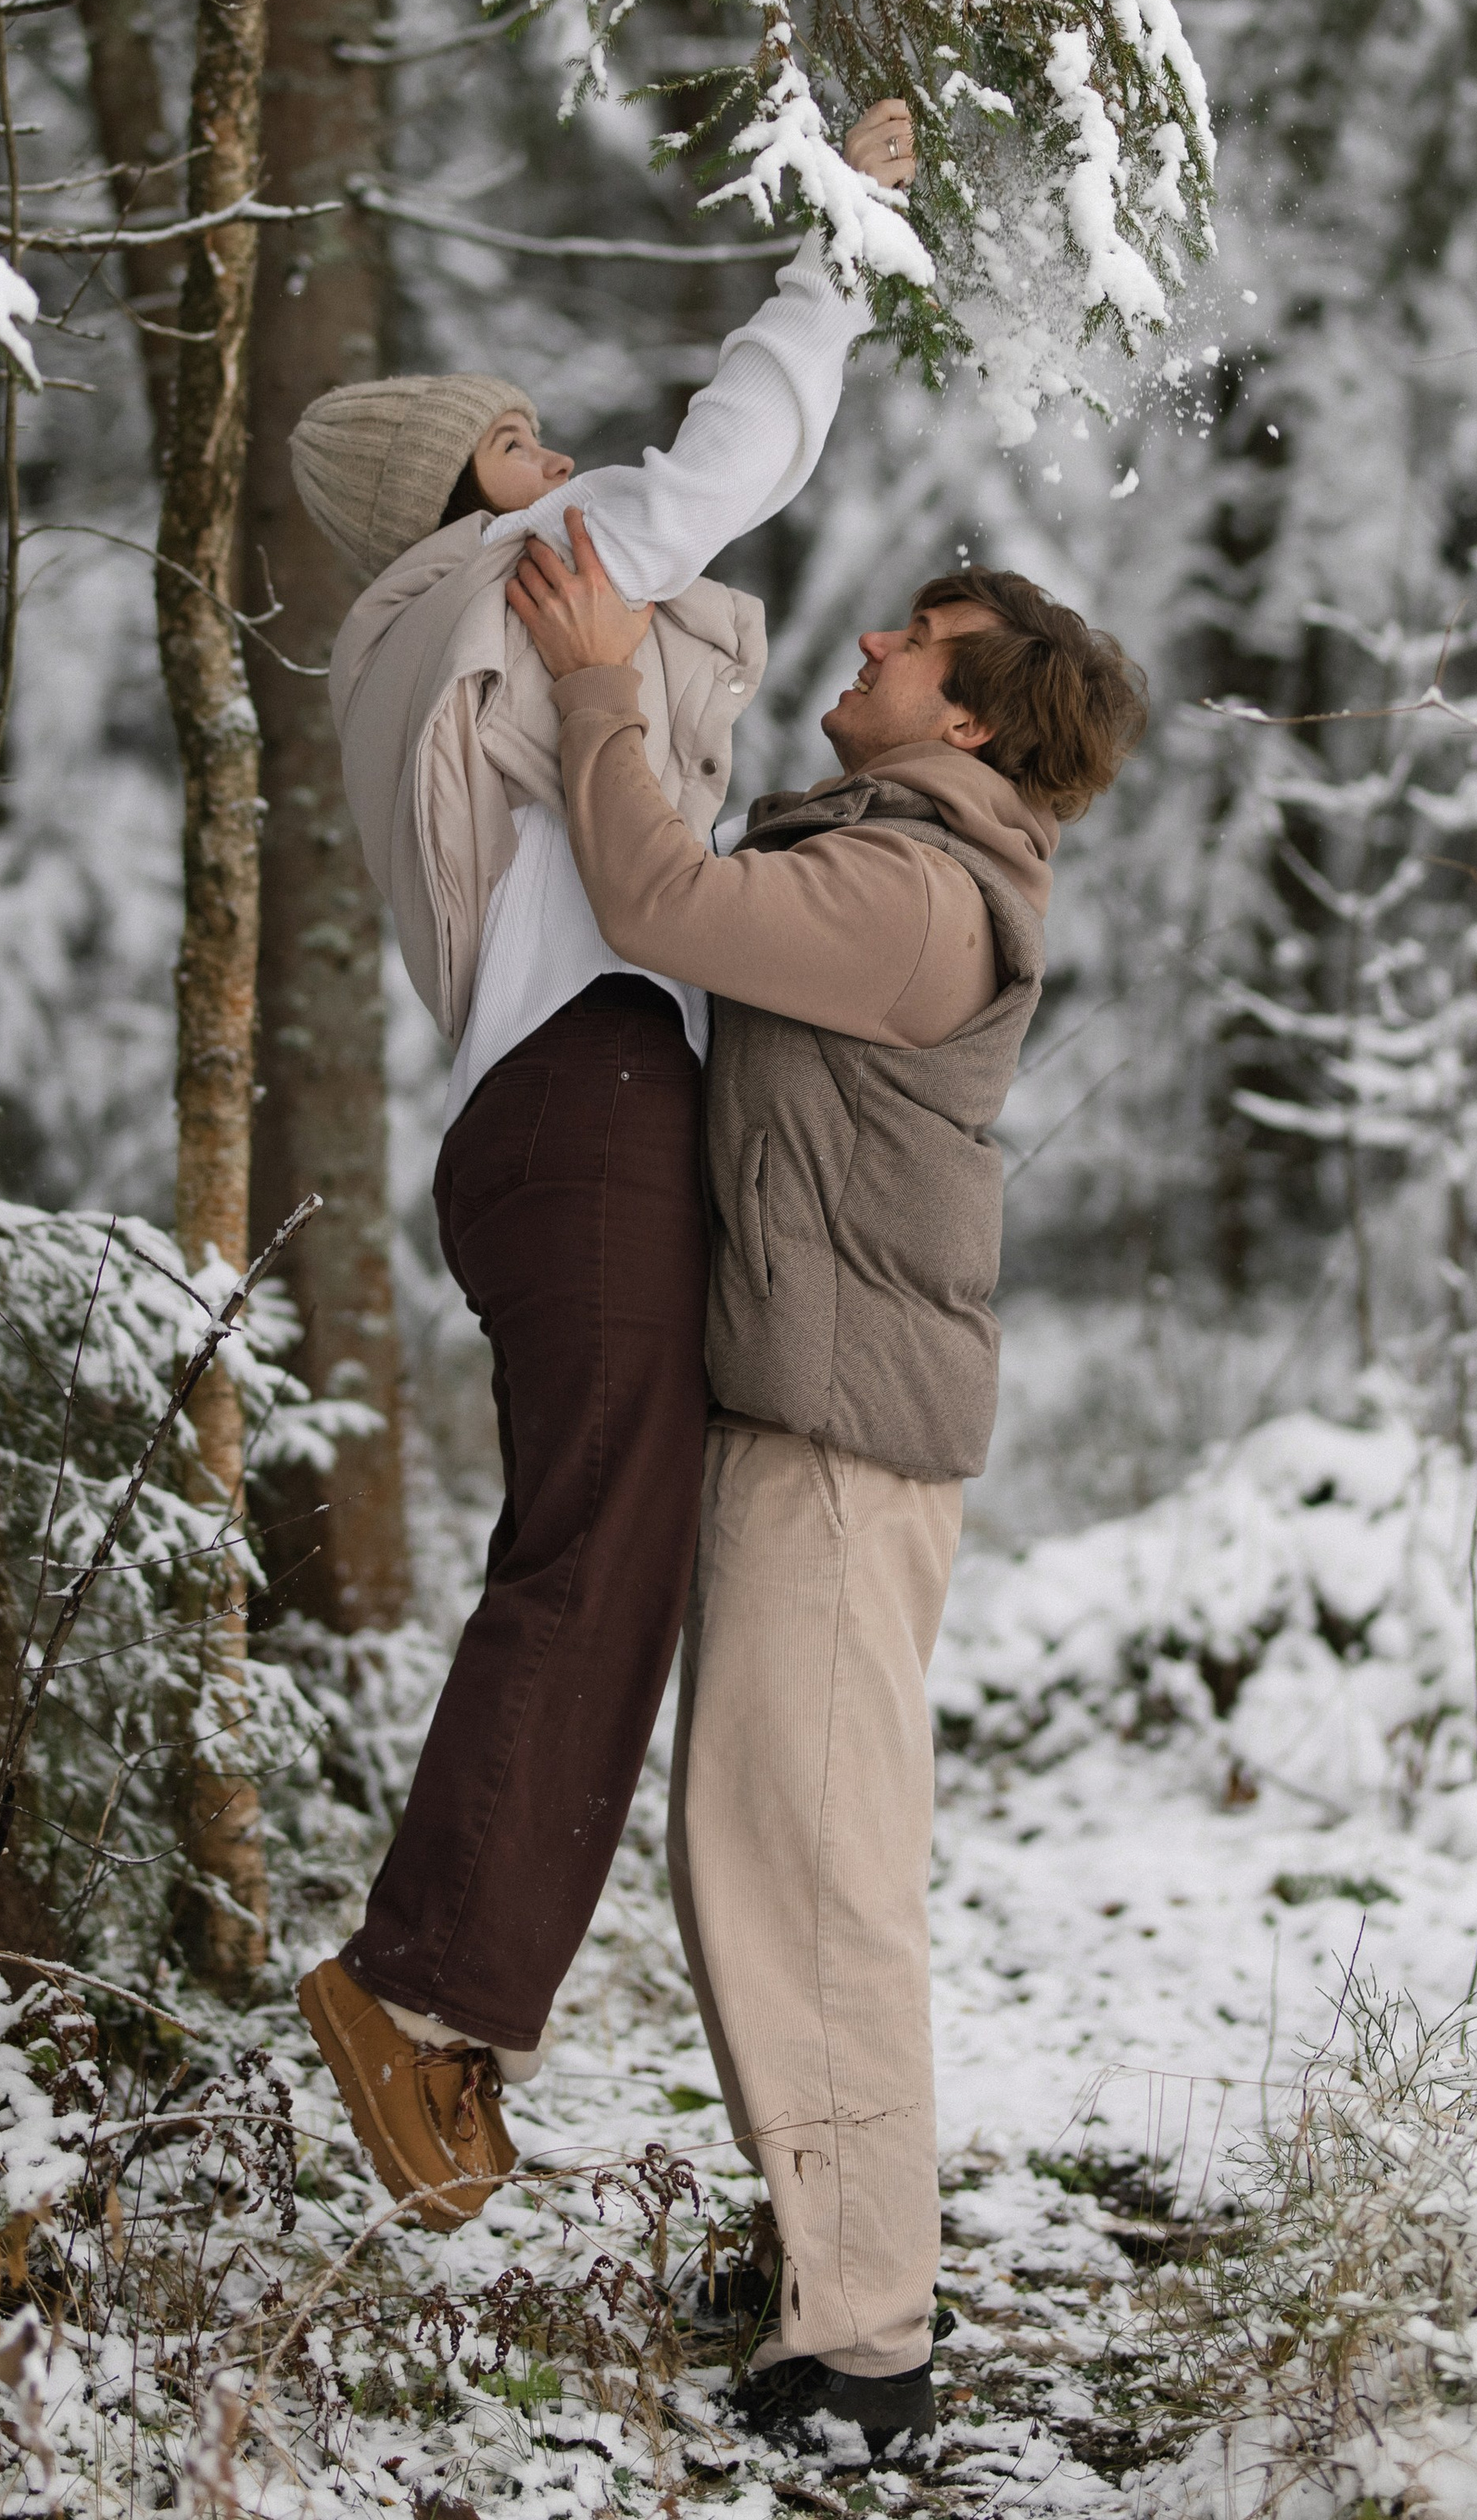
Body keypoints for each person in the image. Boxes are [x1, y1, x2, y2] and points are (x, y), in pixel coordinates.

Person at [285, 103, 917, 2230]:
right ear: (465, 484)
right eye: (524, 436)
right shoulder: (511, 583)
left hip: (542, 1120)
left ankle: (449, 2014)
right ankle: (417, 1996)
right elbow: (738, 457)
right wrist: (844, 235)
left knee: (603, 1556)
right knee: (596, 1561)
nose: (557, 460)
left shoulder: (409, 655)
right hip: (588, 1099)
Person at [506, 516, 1148, 2458]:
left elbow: (655, 901)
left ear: (971, 716)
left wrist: (597, 679)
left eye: (917, 638)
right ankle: (824, 2249)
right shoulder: (901, 859)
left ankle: (861, 2338)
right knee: (761, 1860)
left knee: (811, 1872)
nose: (867, 640)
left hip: (840, 1442)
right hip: (816, 1422)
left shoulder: (916, 897)